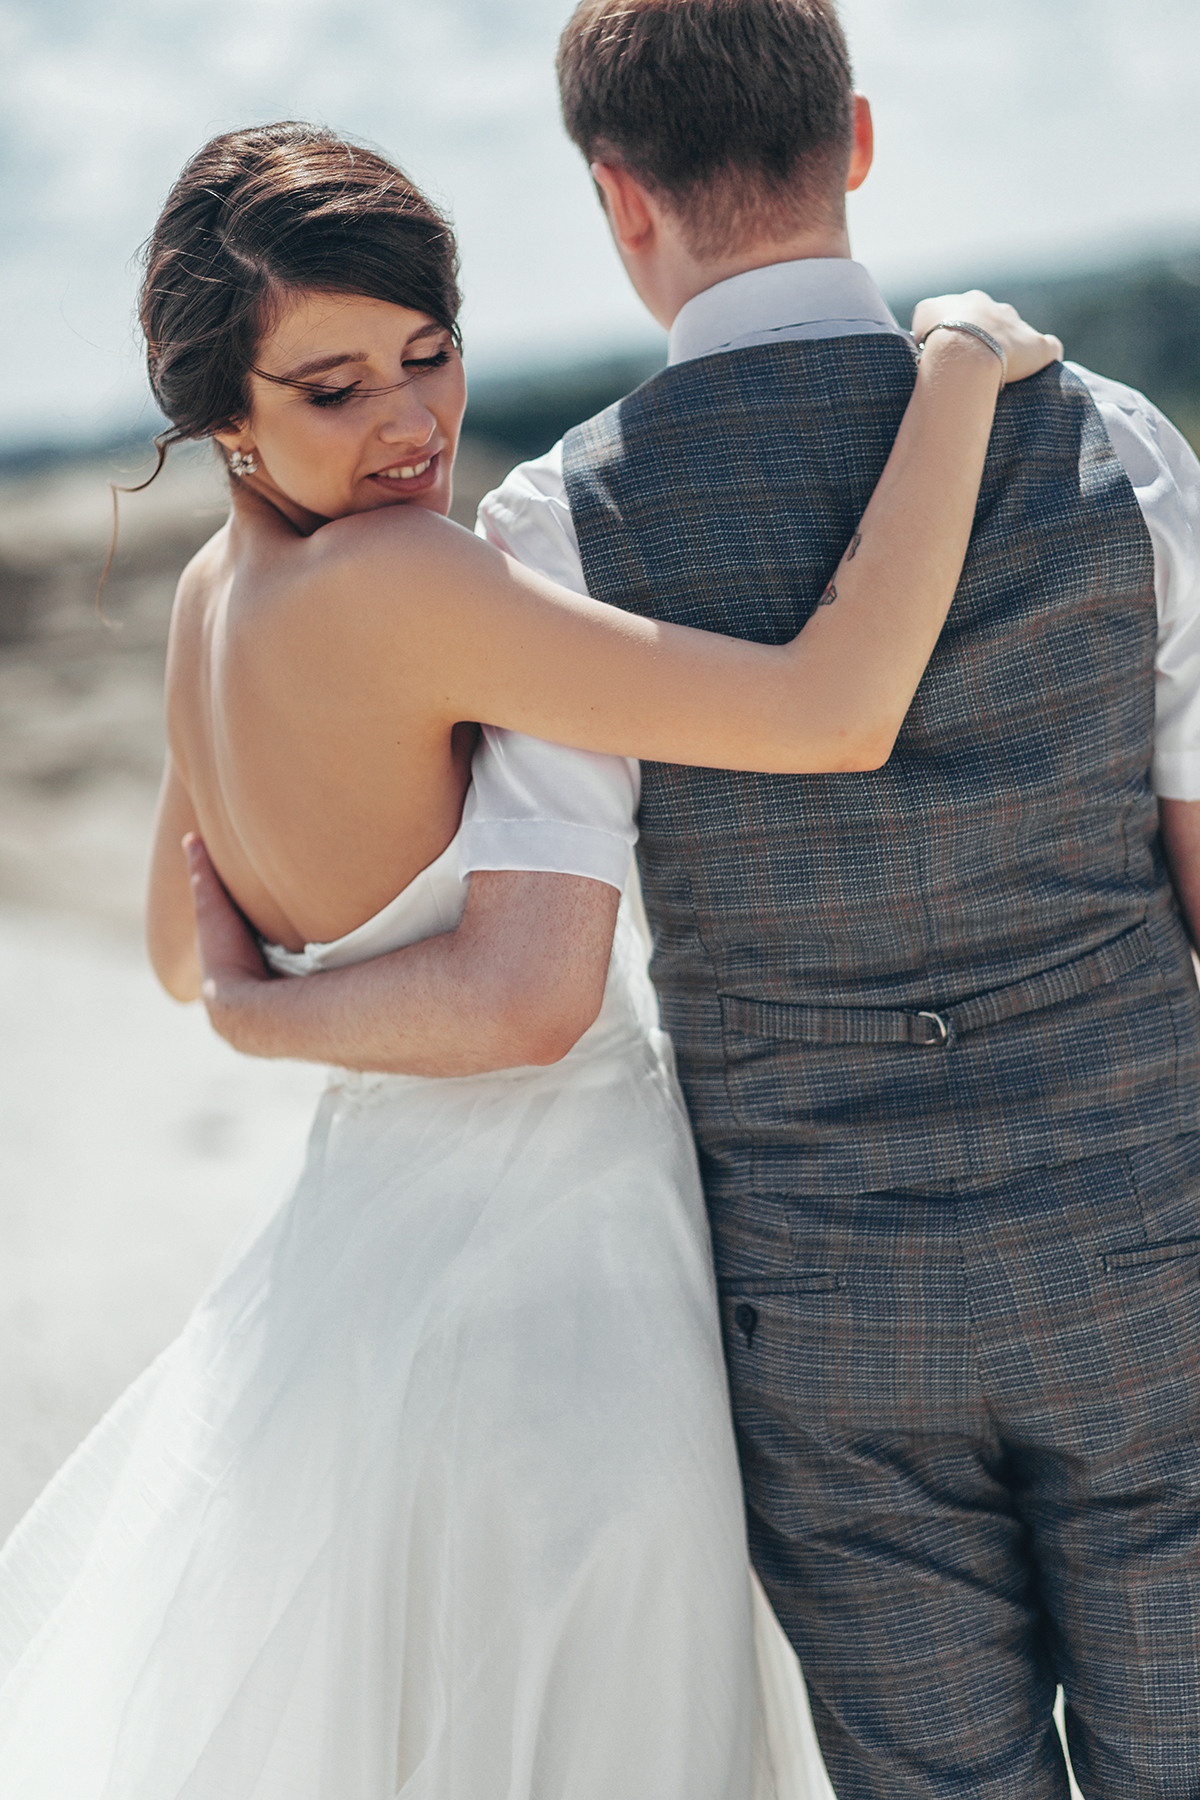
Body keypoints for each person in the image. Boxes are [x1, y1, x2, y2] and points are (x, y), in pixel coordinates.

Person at [193, 4, 1200, 1798]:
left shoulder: (555, 530)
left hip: (820, 1309)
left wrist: (251, 997)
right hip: (1150, 1258)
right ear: (860, 140)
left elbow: (525, 962)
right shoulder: (1117, 446)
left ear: (614, 199)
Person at [0, 116, 1061, 1797]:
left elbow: (172, 950)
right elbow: (828, 708)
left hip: (354, 1294)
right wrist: (953, 366)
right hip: (556, 1290)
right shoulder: (395, 578)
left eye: (428, 356)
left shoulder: (215, 593)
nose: (412, 421)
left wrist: (270, 1010)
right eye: (332, 389)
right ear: (221, 415)